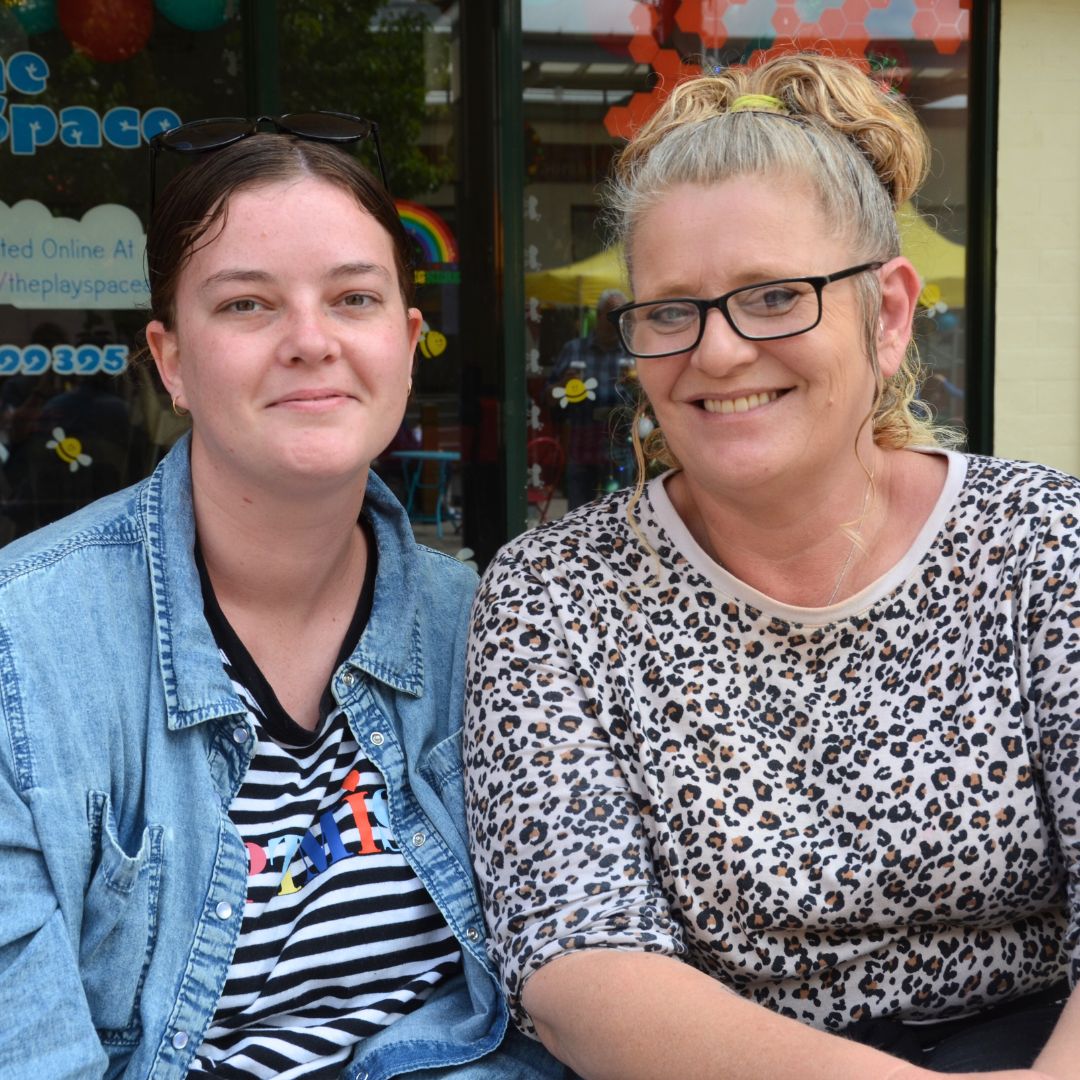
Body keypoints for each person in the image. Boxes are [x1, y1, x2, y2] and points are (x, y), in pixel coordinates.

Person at [463, 53, 1080, 1080]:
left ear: (889, 314)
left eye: (776, 295)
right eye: (671, 310)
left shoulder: (1045, 543)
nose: (717, 353)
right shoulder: (555, 595)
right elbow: (581, 966)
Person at [0, 118, 563, 1080]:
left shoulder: (491, 627)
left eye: (353, 298)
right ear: (171, 361)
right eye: (247, 304)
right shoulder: (28, 647)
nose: (310, 341)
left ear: (408, 343)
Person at [547, 289, 634, 509]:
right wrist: (563, 386)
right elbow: (547, 397)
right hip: (582, 449)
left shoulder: (632, 353)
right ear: (598, 315)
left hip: (619, 452)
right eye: (611, 314)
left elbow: (648, 402)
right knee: (579, 515)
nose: (615, 321)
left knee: (619, 516)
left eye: (621, 316)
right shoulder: (574, 350)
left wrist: (636, 384)